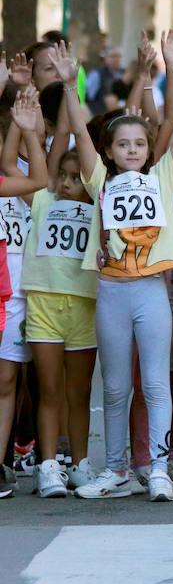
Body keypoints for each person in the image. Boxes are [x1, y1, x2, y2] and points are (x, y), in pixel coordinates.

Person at [67, 37, 173, 502]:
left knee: (156, 382)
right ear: (110, 150)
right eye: (123, 144)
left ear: (147, 149)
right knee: (117, 386)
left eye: (139, 143)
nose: (133, 149)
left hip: (149, 292)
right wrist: (69, 87)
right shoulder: (99, 181)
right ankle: (117, 469)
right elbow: (81, 136)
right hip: (111, 292)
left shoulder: (162, 176)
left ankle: (158, 467)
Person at [0, 87, 54, 499]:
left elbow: (38, 179)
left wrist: (26, 130)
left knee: (8, 380)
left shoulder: (14, 185)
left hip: (16, 292)